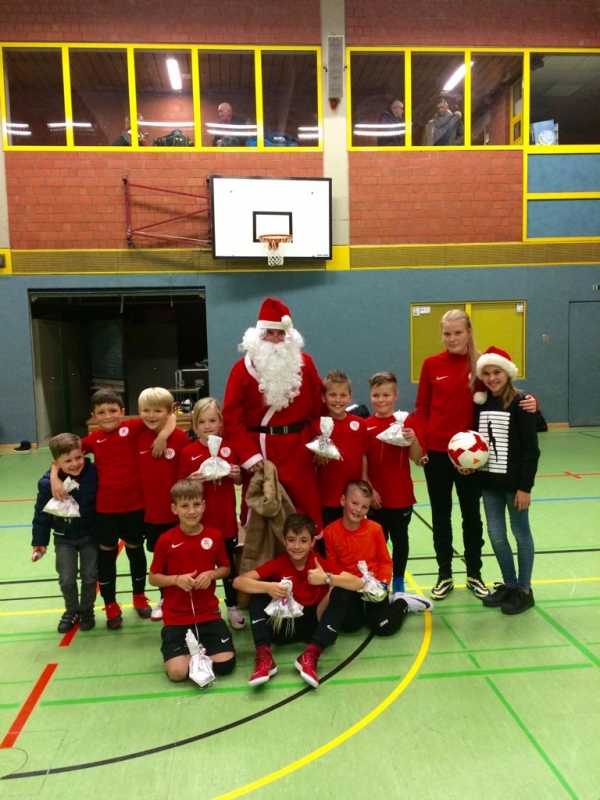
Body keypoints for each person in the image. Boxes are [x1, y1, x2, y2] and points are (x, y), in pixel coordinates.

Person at [412, 309, 536, 601]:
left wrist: (531, 402)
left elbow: (503, 391)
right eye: (447, 333)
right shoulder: (431, 364)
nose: (452, 338)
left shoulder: (482, 365)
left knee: (472, 516)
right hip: (438, 455)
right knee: (441, 516)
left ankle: (474, 574)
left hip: (472, 457)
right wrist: (422, 447)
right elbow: (422, 409)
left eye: (458, 332)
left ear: (468, 332)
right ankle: (444, 574)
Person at [52, 388, 175, 628]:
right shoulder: (92, 440)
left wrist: (162, 437)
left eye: (112, 410)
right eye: (101, 412)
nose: (107, 416)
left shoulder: (133, 428)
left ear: (122, 412)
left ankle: (139, 596)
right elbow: (63, 456)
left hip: (134, 507)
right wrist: (55, 478)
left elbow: (170, 417)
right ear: (93, 416)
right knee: (106, 557)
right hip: (106, 511)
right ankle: (110, 604)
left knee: (135, 552)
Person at [222, 297, 324, 530]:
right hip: (260, 454)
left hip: (298, 450)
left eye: (281, 334)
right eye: (270, 333)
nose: (276, 339)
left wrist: (319, 442)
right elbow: (232, 418)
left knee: (305, 511)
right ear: (259, 336)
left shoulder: (305, 365)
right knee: (262, 515)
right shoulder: (241, 370)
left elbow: (319, 409)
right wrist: (250, 457)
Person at [234, 513, 354, 688]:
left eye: (303, 541)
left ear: (312, 542)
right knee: (258, 592)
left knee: (342, 590)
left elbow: (357, 583)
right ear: (284, 540)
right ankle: (264, 657)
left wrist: (327, 578)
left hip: (313, 627)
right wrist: (267, 587)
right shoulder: (279, 563)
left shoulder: (318, 562)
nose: (297, 546)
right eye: (291, 540)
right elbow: (239, 582)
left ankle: (311, 654)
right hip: (283, 626)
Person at [322, 481, 432, 658]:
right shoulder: (330, 532)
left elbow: (385, 562)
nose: (358, 510)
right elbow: (333, 568)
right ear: (343, 500)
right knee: (350, 625)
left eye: (364, 507)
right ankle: (367, 611)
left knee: (383, 626)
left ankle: (402, 603)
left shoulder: (375, 529)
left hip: (373, 587)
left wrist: (383, 584)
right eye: (354, 503)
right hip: (349, 588)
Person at [148, 479, 236, 682]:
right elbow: (153, 578)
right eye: (185, 506)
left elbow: (225, 568)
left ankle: (197, 651)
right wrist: (176, 580)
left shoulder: (215, 536)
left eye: (196, 505)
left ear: (204, 505)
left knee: (225, 666)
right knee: (178, 673)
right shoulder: (165, 540)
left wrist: (211, 574)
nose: (191, 511)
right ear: (174, 509)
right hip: (176, 618)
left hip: (208, 614)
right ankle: (187, 653)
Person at [474, 347, 540, 615]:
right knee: (496, 535)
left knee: (520, 533)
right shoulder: (480, 404)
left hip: (514, 486)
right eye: (487, 373)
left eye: (497, 372)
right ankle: (510, 585)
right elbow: (475, 443)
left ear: (508, 373)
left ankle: (524, 591)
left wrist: (525, 487)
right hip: (489, 484)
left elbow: (531, 449)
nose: (492, 378)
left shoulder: (521, 403)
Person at [178, 397, 245, 630]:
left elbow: (239, 480)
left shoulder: (229, 448)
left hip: (225, 521)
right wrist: (191, 480)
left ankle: (233, 606)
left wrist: (236, 474)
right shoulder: (188, 452)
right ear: (195, 425)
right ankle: (203, 606)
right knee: (201, 566)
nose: (207, 426)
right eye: (202, 422)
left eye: (212, 421)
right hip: (200, 523)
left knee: (228, 566)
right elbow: (181, 486)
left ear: (220, 423)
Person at [31, 433, 98, 633]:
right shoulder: (48, 485)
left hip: (90, 536)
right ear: (56, 463)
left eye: (78, 457)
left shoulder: (93, 473)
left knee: (90, 577)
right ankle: (72, 610)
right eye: (68, 461)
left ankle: (87, 610)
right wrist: (39, 542)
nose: (75, 463)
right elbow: (41, 515)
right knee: (67, 578)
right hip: (63, 539)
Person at [364, 372, 423, 596]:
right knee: (378, 542)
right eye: (376, 395)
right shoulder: (366, 426)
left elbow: (417, 458)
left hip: (401, 496)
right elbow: (362, 462)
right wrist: (370, 491)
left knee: (400, 541)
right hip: (375, 498)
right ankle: (382, 578)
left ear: (396, 395)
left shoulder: (406, 424)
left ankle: (398, 581)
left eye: (386, 395)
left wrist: (413, 439)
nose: (381, 400)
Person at [137, 387, 190, 621]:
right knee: (160, 559)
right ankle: (165, 597)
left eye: (158, 411)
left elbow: (185, 474)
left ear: (169, 412)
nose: (151, 415)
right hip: (151, 515)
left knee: (182, 557)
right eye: (146, 410)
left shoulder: (179, 439)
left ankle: (186, 597)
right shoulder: (137, 435)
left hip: (177, 514)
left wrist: (163, 436)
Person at [315, 370, 368, 528]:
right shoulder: (317, 426)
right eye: (332, 395)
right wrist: (318, 459)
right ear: (323, 397)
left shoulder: (360, 424)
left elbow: (363, 455)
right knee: (329, 537)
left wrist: (364, 482)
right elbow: (311, 463)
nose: (338, 400)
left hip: (354, 498)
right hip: (327, 497)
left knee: (352, 536)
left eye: (343, 395)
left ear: (350, 396)